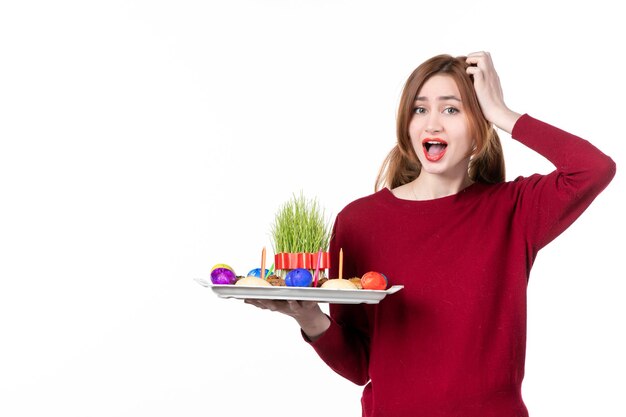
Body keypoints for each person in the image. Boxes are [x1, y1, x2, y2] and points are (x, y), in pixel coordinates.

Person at [244, 51, 616, 416]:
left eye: (451, 109)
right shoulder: (358, 222)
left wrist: (501, 112)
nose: (432, 123)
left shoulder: (514, 211)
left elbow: (593, 169)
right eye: (420, 109)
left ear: (479, 129)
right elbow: (359, 365)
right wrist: (309, 318)